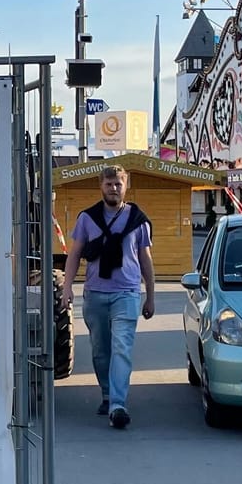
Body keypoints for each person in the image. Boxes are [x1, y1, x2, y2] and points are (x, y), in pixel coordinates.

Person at [59, 166, 156, 430]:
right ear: (101, 186)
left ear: (126, 187)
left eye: (118, 184)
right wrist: (67, 287)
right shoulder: (87, 219)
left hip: (127, 293)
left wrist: (150, 295)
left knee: (121, 348)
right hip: (95, 293)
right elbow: (75, 254)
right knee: (101, 350)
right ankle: (106, 393)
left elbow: (145, 259)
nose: (114, 188)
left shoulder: (138, 219)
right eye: (109, 184)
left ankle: (118, 405)